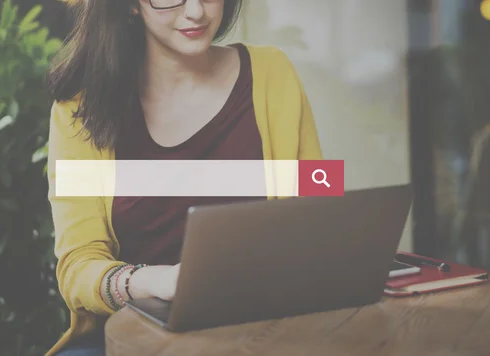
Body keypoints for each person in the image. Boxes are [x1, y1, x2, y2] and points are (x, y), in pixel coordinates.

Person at [45, 0, 323, 355]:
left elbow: (319, 206)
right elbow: (77, 267)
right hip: (134, 333)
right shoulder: (78, 110)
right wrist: (157, 281)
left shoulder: (273, 73)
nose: (195, 11)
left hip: (259, 324)